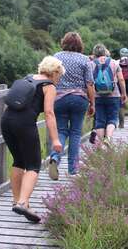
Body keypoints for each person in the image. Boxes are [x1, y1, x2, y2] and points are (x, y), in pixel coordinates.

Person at [1, 56, 64, 223]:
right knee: (34, 165)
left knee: (19, 161)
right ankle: (23, 203)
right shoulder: (49, 86)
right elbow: (49, 113)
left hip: (6, 121)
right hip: (24, 124)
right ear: (55, 72)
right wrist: (56, 140)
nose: (60, 78)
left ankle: (17, 201)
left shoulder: (27, 78)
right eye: (60, 75)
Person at [48, 32, 95, 179]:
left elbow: (49, 78)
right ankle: (73, 169)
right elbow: (89, 83)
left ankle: (55, 157)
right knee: (75, 133)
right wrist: (92, 103)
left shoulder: (57, 57)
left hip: (59, 98)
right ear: (80, 44)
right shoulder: (85, 60)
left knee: (61, 131)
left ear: (64, 42)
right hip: (79, 99)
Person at [91, 43, 127, 143]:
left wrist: (89, 98)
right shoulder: (114, 63)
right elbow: (121, 79)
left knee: (99, 120)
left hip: (97, 96)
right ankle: (108, 138)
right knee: (112, 119)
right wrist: (124, 93)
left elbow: (89, 82)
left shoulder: (91, 64)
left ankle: (102, 143)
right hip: (113, 95)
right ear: (104, 51)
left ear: (94, 53)